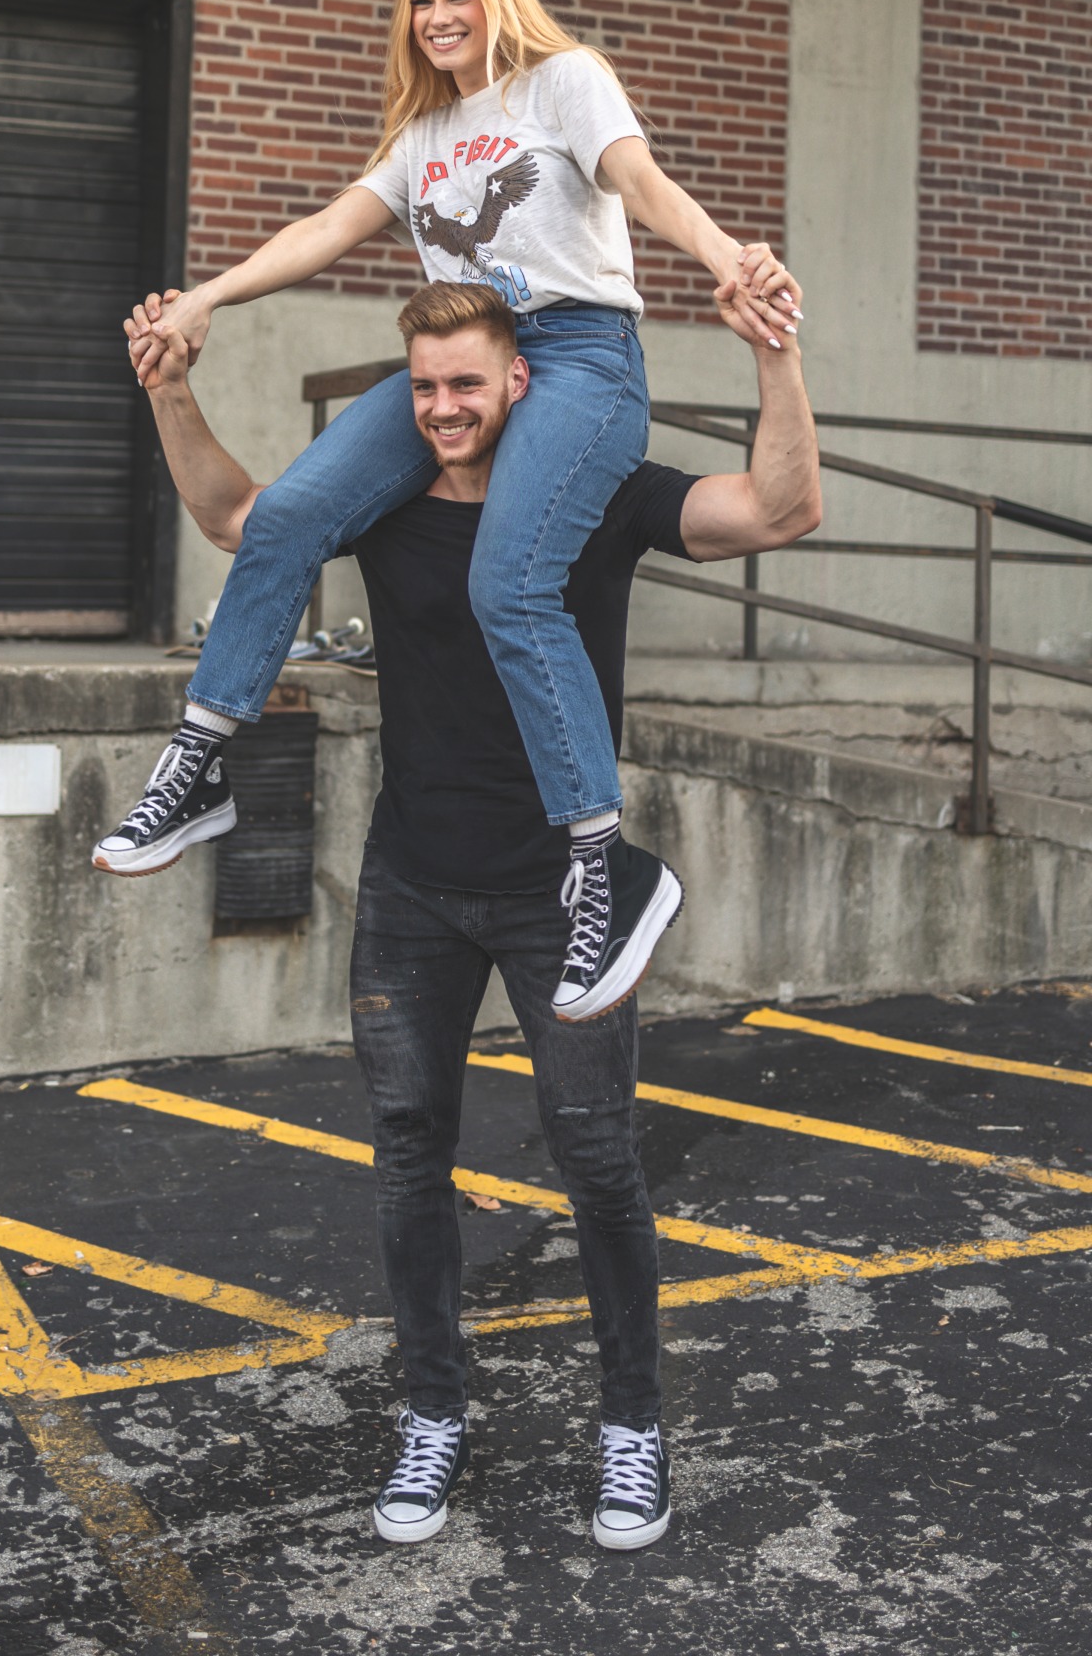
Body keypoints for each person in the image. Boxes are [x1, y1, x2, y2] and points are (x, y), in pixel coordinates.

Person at [124, 278, 821, 1551]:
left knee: (596, 1159)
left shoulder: (591, 494)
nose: (444, 408)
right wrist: (170, 386)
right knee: (407, 1154)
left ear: (519, 381)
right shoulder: (383, 499)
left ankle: (631, 1426)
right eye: (423, 387)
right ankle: (432, 1413)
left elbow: (778, 510)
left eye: (467, 384)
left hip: (562, 895)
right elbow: (237, 518)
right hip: (412, 882)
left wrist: (773, 358)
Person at [95, 0, 804, 1024]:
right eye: (422, 0)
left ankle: (604, 868)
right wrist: (206, 299)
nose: (437, 17)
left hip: (578, 354)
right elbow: (328, 226)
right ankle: (202, 764)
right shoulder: (424, 131)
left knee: (507, 583)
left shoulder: (564, 82)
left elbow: (639, 180)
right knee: (286, 516)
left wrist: (728, 260)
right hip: (465, 351)